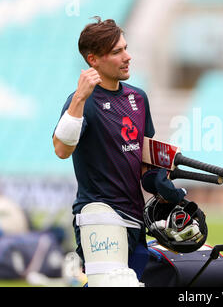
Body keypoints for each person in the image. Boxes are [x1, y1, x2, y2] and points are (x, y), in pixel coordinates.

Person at [52, 17, 186, 286]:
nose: (127, 56)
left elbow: (145, 158)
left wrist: (161, 183)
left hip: (136, 218)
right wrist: (79, 97)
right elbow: (61, 149)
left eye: (125, 48)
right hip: (99, 214)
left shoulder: (138, 97)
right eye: (117, 52)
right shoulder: (82, 101)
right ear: (93, 59)